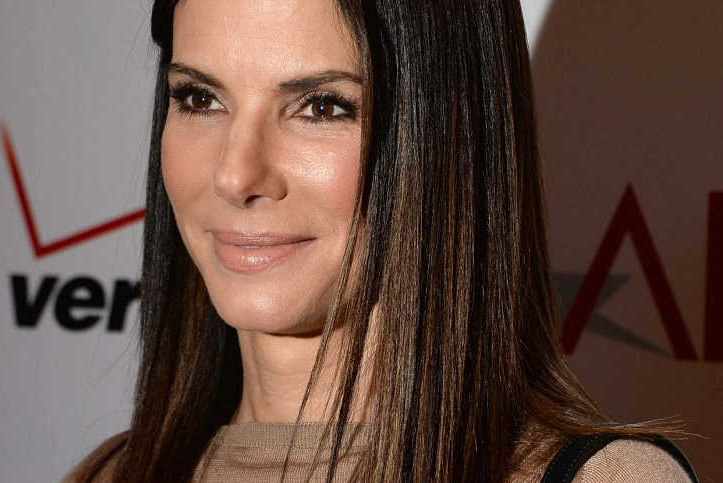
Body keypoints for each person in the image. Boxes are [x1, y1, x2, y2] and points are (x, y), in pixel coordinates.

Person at [65, 0, 697, 481]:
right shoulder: (109, 474)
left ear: (448, 134)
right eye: (200, 98)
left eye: (322, 107)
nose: (235, 175)